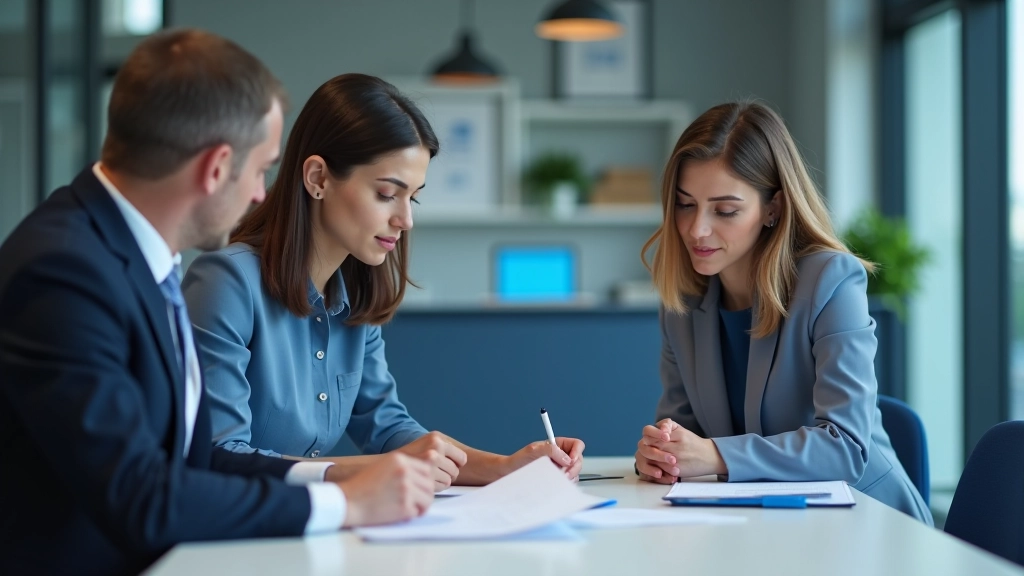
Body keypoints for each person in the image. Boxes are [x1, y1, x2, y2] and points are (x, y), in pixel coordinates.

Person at [0, 30, 435, 576]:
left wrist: (339, 479)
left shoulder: (133, 259)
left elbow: (203, 459)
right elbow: (143, 497)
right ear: (215, 168)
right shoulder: (65, 272)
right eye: (259, 170)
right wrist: (346, 503)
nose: (261, 194)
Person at [181, 73, 585, 490]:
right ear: (318, 178)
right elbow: (219, 455)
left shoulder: (355, 294)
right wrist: (372, 470)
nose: (405, 219)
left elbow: (388, 428)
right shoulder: (227, 283)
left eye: (413, 197)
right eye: (387, 193)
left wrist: (506, 467)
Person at [633, 101, 933, 524]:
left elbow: (845, 448)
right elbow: (686, 433)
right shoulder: (683, 304)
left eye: (725, 210)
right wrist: (664, 455)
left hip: (868, 524)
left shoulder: (831, 280)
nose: (697, 229)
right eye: (685, 205)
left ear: (772, 207)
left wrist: (714, 455)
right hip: (766, 523)